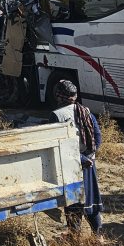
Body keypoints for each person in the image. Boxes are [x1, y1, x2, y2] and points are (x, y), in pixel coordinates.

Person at [51, 80, 103, 235]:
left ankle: (75, 237)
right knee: (91, 201)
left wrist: (79, 159)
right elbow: (97, 136)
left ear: (59, 96)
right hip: (89, 163)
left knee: (73, 202)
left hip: (72, 166)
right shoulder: (85, 111)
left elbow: (60, 145)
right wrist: (89, 157)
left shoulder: (57, 115)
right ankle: (98, 236)